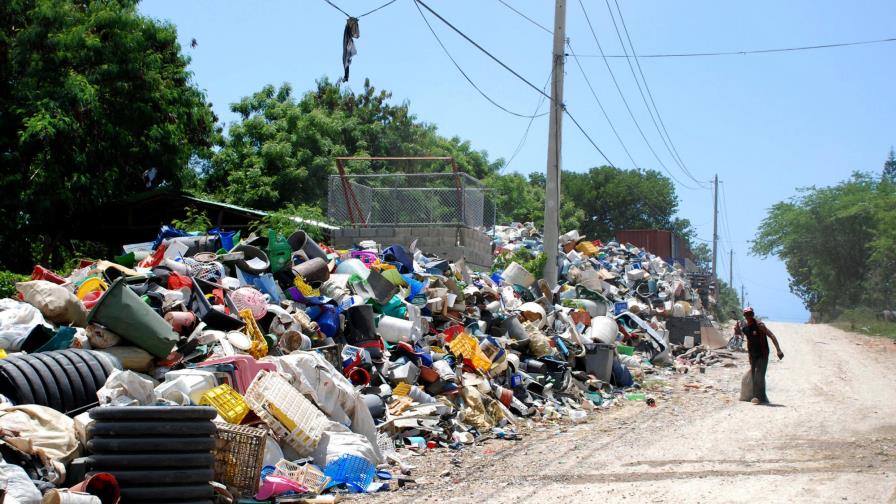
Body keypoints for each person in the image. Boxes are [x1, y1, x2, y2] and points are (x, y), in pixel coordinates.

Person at [734, 307, 784, 404]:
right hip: (753, 355)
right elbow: (740, 334)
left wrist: (778, 350)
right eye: (747, 314)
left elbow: (771, 335)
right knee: (753, 375)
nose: (749, 316)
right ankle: (757, 396)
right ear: (744, 316)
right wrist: (737, 330)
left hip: (763, 353)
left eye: (750, 314)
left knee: (759, 374)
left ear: (753, 315)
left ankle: (758, 397)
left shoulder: (759, 325)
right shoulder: (745, 327)